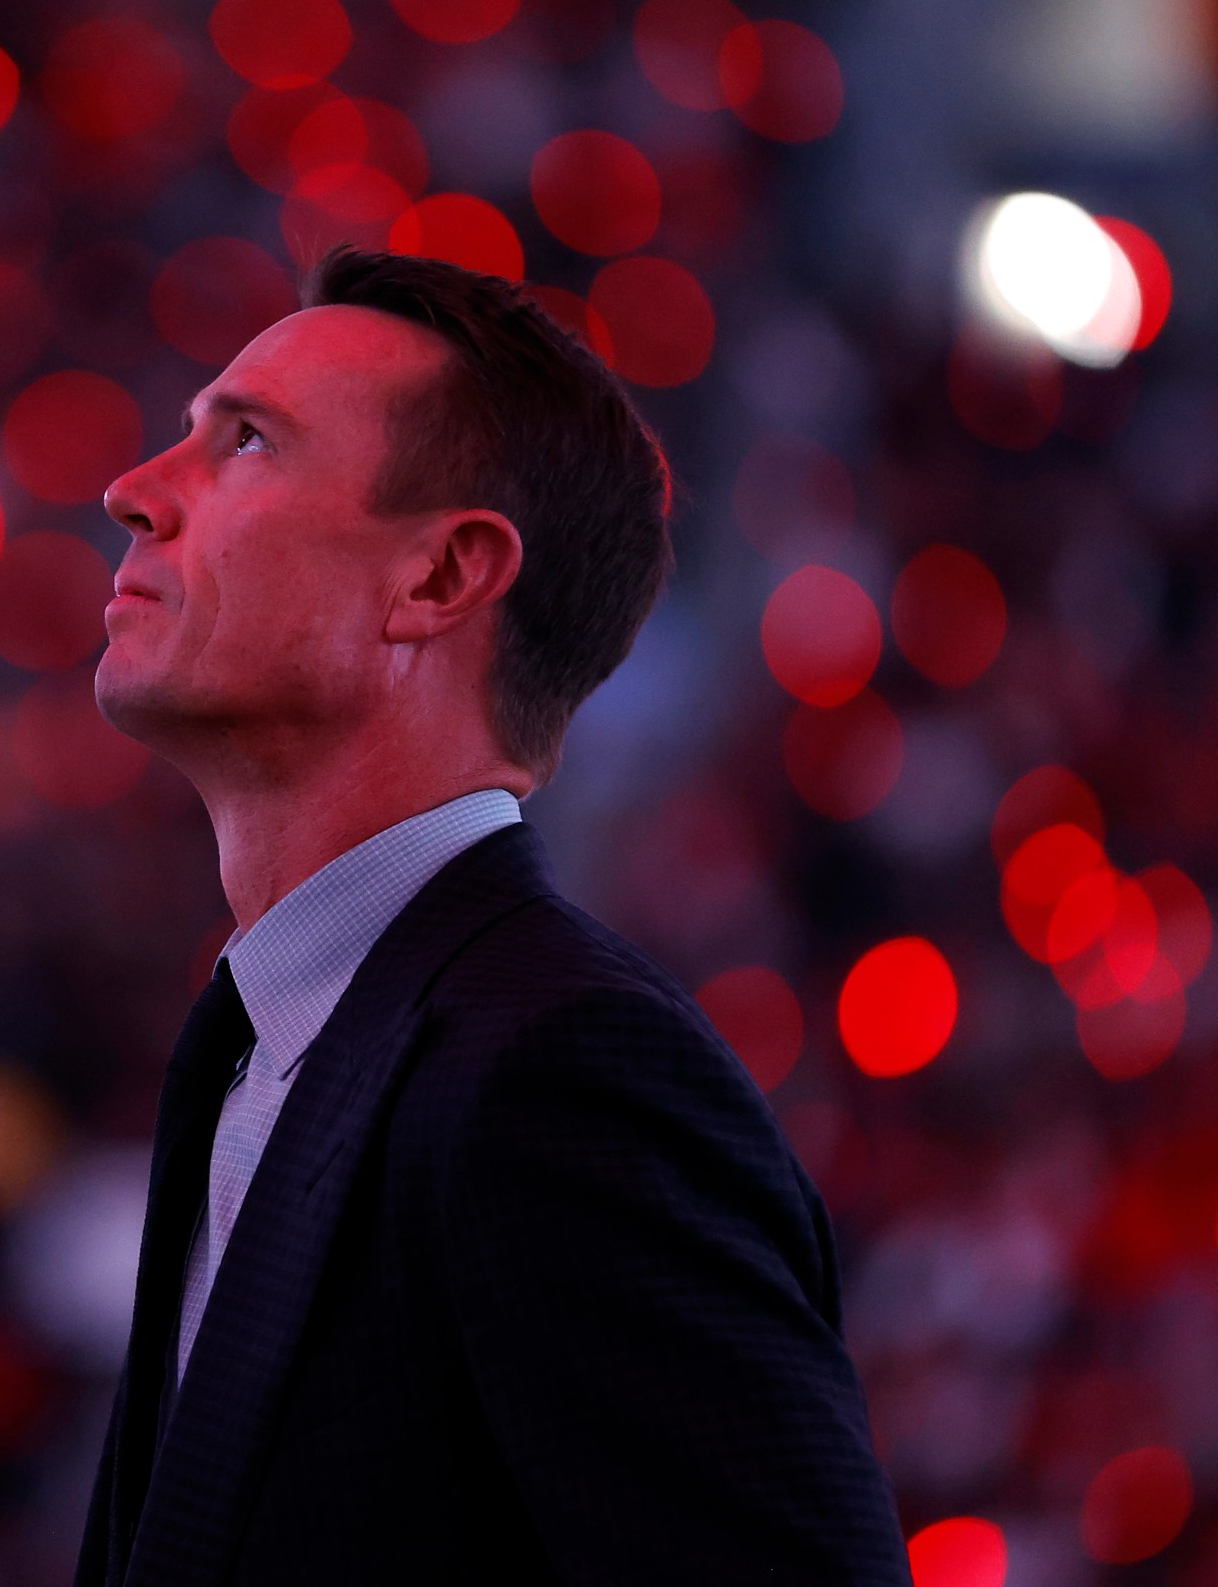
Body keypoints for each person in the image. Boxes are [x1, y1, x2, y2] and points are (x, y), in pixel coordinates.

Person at [73, 246, 911, 1585]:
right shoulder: (263, 1047)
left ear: (442, 577)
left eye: (241, 444)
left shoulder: (561, 1075)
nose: (131, 491)